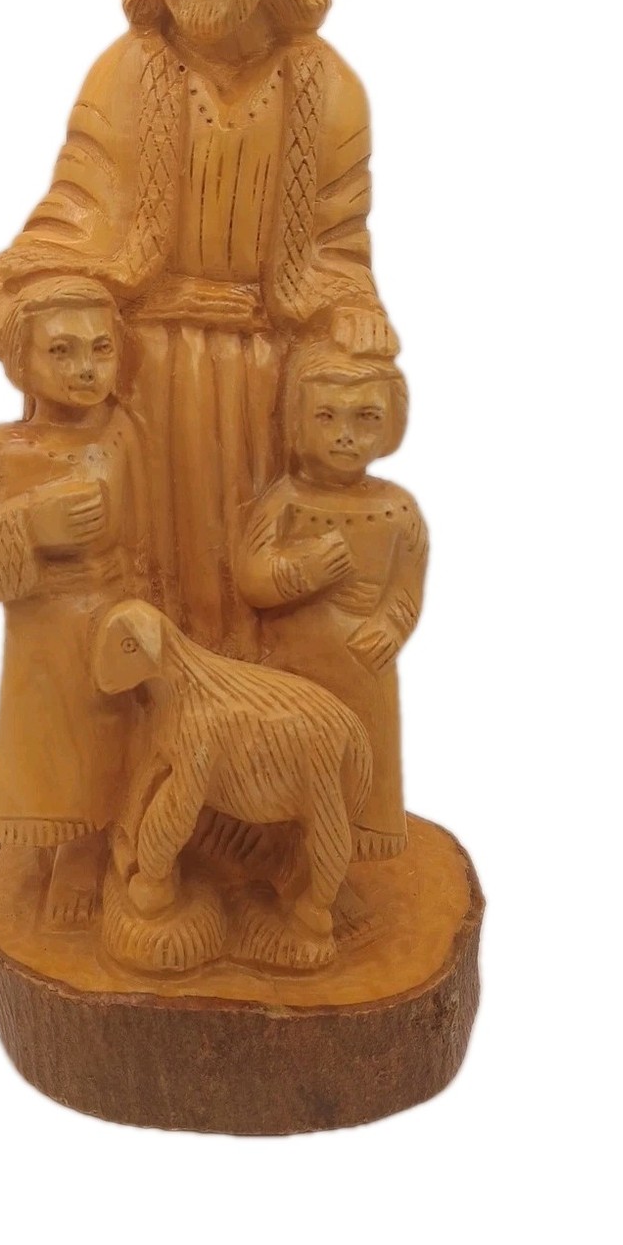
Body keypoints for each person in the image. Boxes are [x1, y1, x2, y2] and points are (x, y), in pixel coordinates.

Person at [0, 0, 398, 654]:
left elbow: (338, 257)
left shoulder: (328, 92)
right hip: (140, 392)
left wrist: (352, 316)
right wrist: (12, 291)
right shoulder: (125, 76)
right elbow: (73, 217)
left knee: (257, 596)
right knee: (145, 603)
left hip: (269, 398)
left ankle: (257, 734)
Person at [0, 275, 149, 923]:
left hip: (109, 620)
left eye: (100, 349)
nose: (85, 368)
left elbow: (156, 532)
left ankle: (86, 851)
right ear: (21, 361)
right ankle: (39, 842)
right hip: (39, 628)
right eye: (61, 351)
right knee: (41, 741)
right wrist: (31, 525)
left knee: (102, 737)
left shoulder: (124, 435)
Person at [236, 324, 427, 859]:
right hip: (294, 668)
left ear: (392, 423)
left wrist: (390, 626)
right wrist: (303, 570)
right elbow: (252, 578)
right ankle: (286, 844)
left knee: (364, 754)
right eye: (327, 417)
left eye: (366, 418)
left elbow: (406, 585)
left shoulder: (398, 510)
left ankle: (358, 845)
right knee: (296, 755)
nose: (346, 435)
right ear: (298, 422)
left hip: (364, 668)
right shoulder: (286, 502)